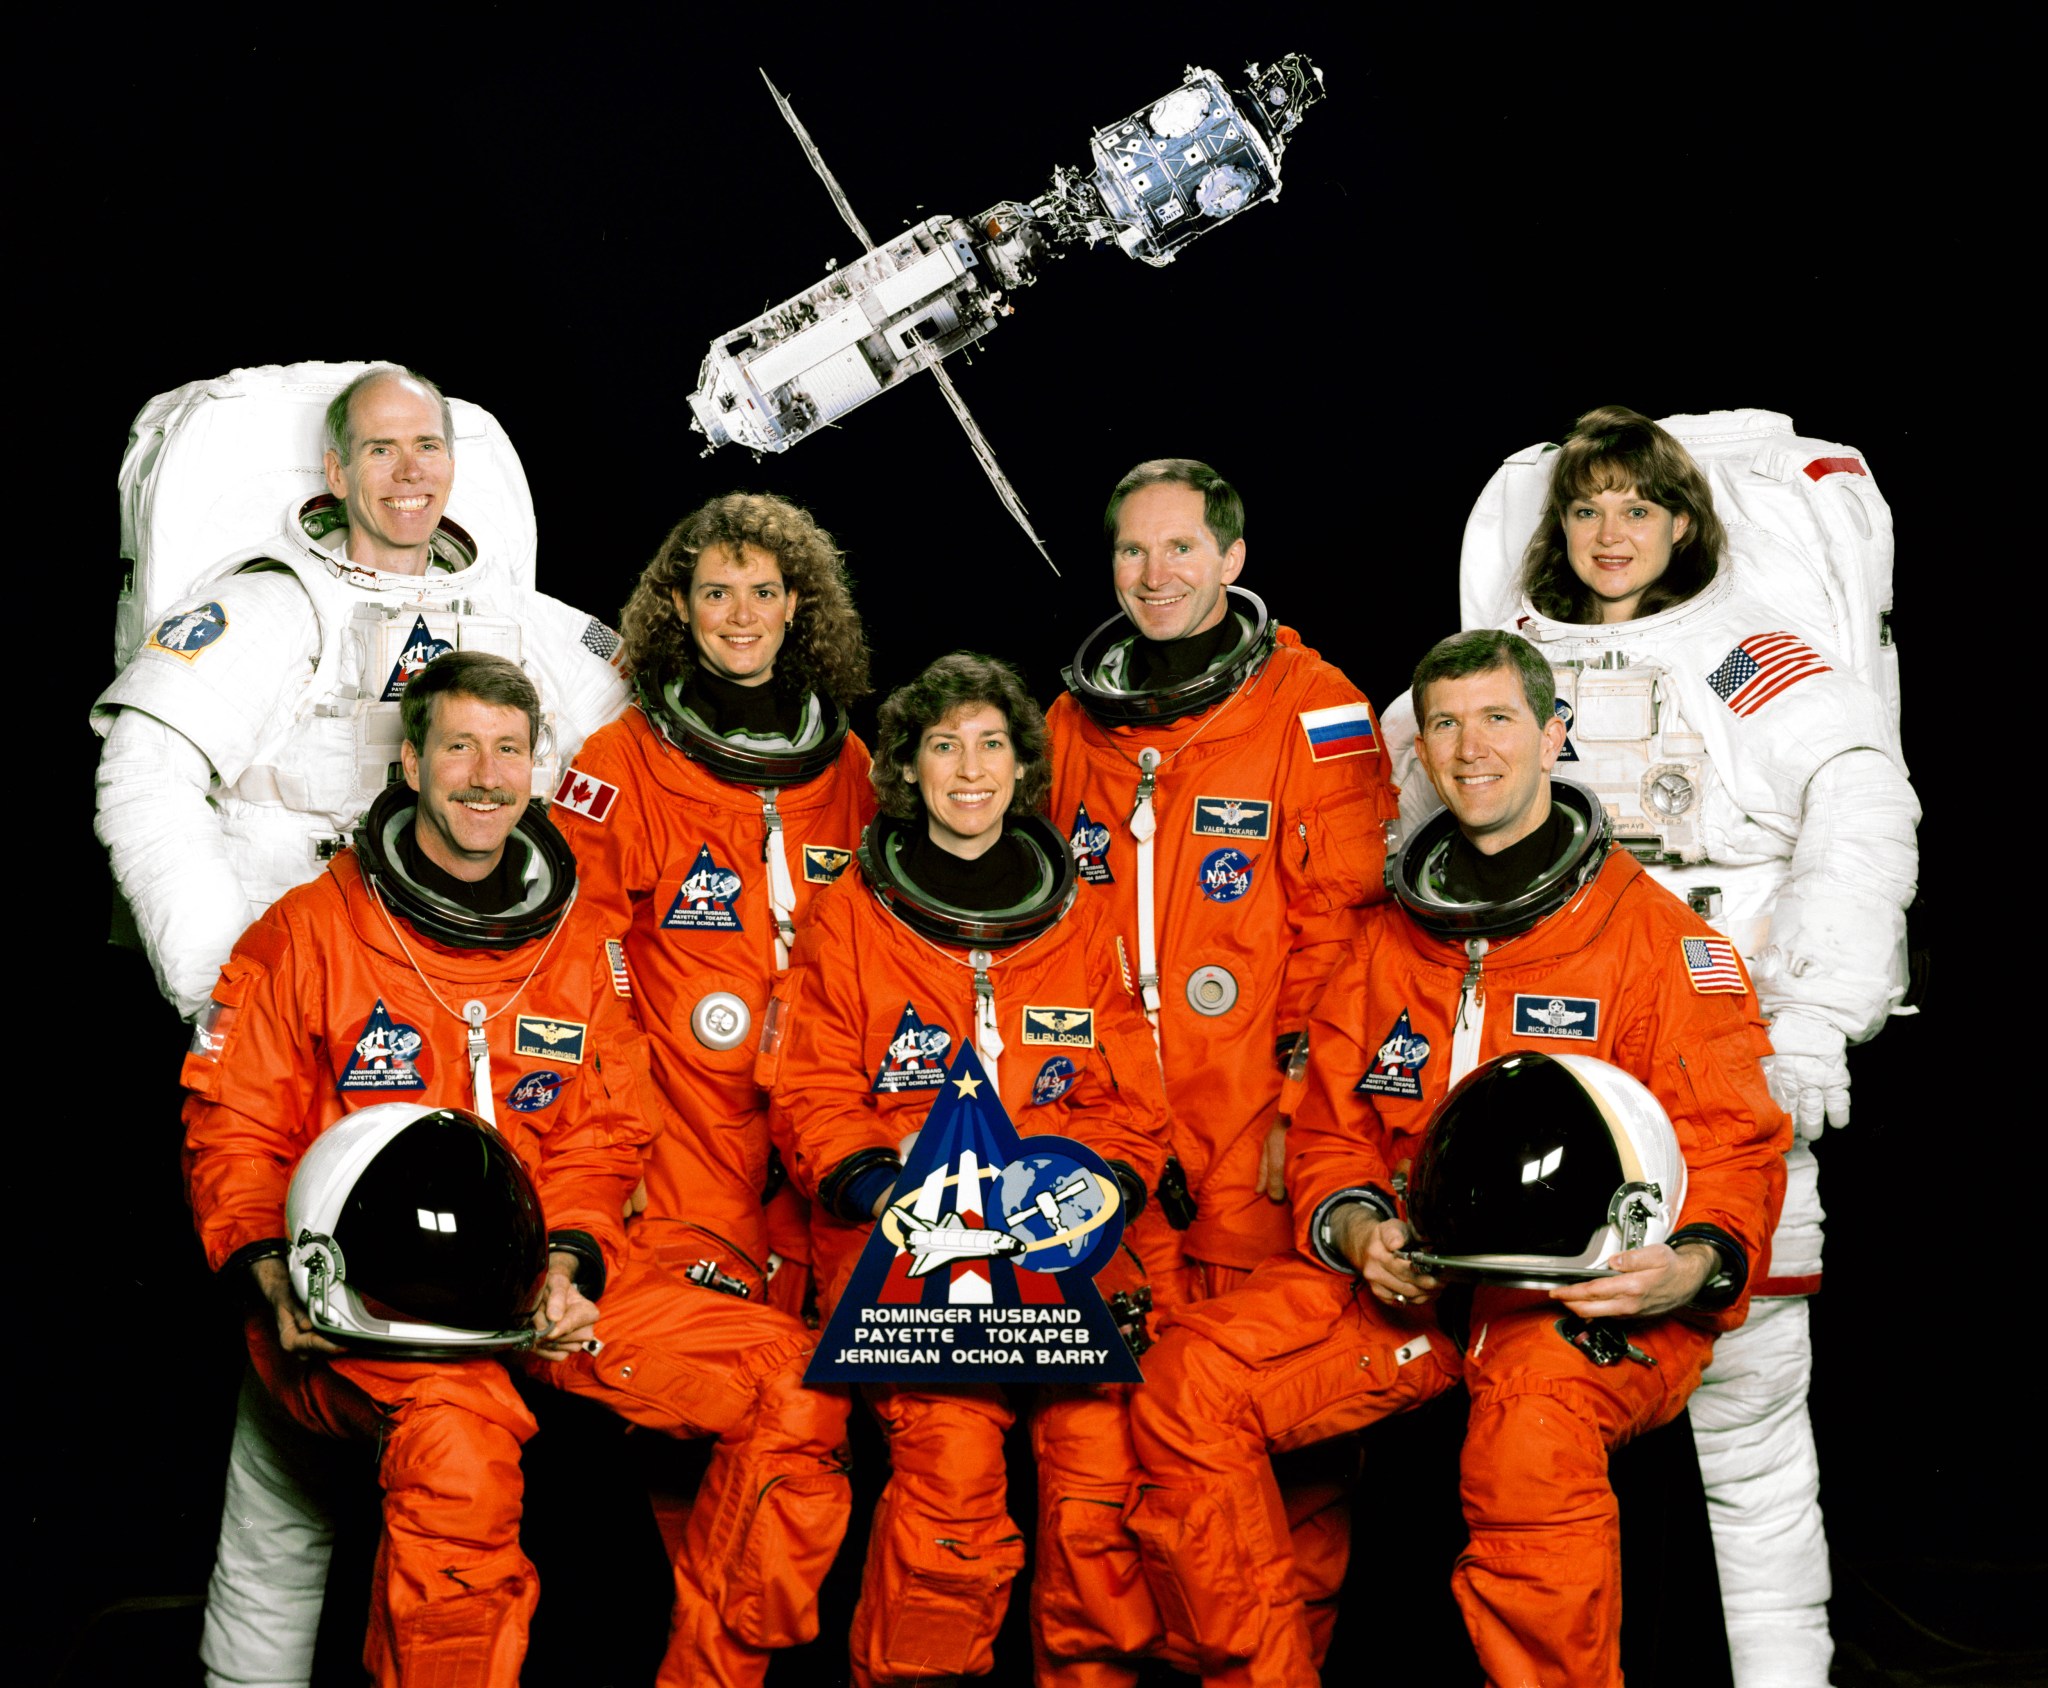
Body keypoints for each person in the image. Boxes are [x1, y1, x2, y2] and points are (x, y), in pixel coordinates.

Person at [93, 364, 632, 1688]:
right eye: (381, 451)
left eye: (429, 448)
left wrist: (601, 950)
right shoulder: (266, 613)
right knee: (294, 1427)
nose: (410, 474)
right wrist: (226, 983)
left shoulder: (514, 621)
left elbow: (631, 780)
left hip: (473, 1043)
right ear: (329, 476)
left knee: (413, 1421)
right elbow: (145, 775)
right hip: (310, 1031)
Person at [1125, 629, 1790, 1688]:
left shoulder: (1654, 941)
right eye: (1443, 722)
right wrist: (1355, 1231)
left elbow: (1731, 1140)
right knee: (1182, 1383)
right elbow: (1334, 1132)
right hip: (1416, 1293)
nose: (1468, 746)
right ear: (1420, 750)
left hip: (1584, 1299)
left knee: (1527, 1437)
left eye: (1495, 718)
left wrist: (1690, 1263)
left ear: (1550, 733)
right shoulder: (1387, 941)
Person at [182, 651, 851, 1688]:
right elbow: (233, 1130)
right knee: (461, 1458)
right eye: (457, 746)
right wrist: (274, 1279)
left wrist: (572, 1261)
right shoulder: (306, 935)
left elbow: (602, 1131)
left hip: (539, 1287)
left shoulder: (577, 945)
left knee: (795, 1384)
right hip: (365, 1304)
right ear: (409, 763)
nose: (484, 774)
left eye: (507, 749)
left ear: (537, 771)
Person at [1384, 406, 1919, 1684]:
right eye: (1585, 508)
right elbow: (1396, 843)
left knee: (1745, 1430)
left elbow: (1860, 802)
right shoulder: (1495, 665)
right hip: (1532, 1064)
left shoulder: (1748, 656)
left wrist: (1808, 1026)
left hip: (1716, 1047)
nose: (1608, 532)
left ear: (1684, 524)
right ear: (1554, 528)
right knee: (1511, 1414)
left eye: (1636, 507)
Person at [1042, 458, 1399, 1651]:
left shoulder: (1314, 704)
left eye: (1180, 549)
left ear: (1233, 559)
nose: (1154, 576)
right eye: (1132, 553)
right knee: (1100, 1437)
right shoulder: (1066, 720)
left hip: (1254, 1123)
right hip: (1111, 1126)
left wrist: (1292, 1114)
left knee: (1270, 1445)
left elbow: (1345, 937)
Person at [767, 653, 1173, 1688]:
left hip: (1061, 1254)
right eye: (942, 745)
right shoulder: (851, 916)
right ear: (904, 768)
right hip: (916, 1253)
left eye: (991, 742)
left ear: (1022, 765)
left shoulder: (1076, 918)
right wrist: (879, 1186)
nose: (968, 767)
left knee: (1095, 1503)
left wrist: (1101, 1189)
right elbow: (811, 1089)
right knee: (949, 1492)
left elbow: (1132, 1099)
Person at [550, 492, 873, 1316]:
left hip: (830, 1111)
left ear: (796, 606)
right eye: (718, 592)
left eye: (764, 592)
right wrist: (631, 1110)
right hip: (689, 1121)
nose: (742, 616)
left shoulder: (848, 768)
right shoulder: (621, 761)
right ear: (680, 605)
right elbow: (576, 955)